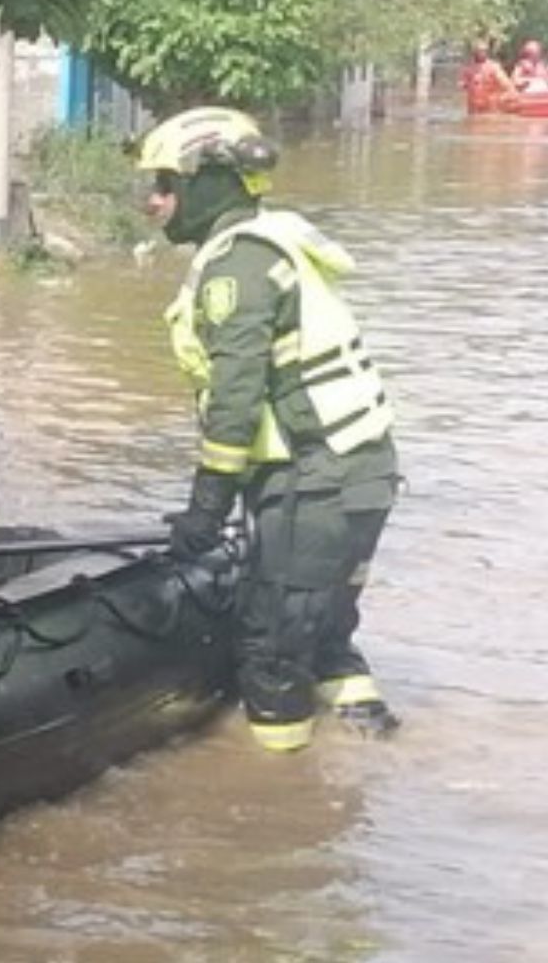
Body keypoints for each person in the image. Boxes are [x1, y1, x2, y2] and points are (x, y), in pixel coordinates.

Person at [139, 106, 400, 753]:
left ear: (211, 182)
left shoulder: (236, 270)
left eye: (167, 185)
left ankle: (279, 804)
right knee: (328, 633)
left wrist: (207, 506)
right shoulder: (274, 241)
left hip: (317, 481)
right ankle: (375, 755)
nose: (153, 201)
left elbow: (236, 397)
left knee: (274, 648)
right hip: (360, 473)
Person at [459, 44, 516, 114]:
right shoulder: (469, 67)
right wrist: (464, 84)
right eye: (479, 51)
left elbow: (507, 86)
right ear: (475, 53)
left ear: (487, 52)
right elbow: (462, 83)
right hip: (474, 106)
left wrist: (504, 98)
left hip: (490, 105)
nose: (481, 53)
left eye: (483, 51)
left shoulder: (494, 67)